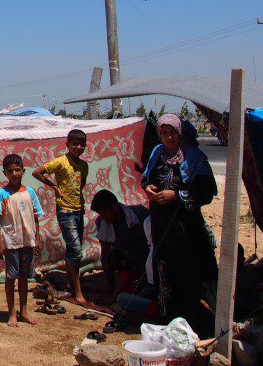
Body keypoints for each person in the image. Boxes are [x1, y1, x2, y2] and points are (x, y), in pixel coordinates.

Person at [142, 112, 217, 335]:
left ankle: (196, 323)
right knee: (164, 268)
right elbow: (146, 178)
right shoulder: (157, 153)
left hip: (185, 228)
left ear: (180, 132)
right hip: (162, 225)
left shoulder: (194, 157)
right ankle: (169, 320)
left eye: (172, 132)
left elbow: (206, 192)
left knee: (189, 270)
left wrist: (176, 196)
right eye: (164, 133)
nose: (168, 137)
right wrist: (148, 188)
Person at [34, 129, 91, 306]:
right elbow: (37, 172)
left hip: (78, 210)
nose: (79, 147)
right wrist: (54, 187)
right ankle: (77, 290)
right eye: (75, 144)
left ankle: (68, 285)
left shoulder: (83, 165)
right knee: (75, 250)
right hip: (65, 210)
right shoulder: (60, 162)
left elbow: (80, 185)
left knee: (73, 249)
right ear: (67, 145)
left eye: (82, 144)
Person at [0, 154, 44, 327]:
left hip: (27, 240)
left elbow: (36, 216)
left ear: (23, 171)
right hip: (11, 241)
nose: (14, 173)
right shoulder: (1, 194)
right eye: (10, 171)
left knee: (24, 276)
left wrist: (37, 238)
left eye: (17, 170)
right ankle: (12, 312)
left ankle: (24, 311)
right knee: (11, 276)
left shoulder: (30, 192)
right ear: (4, 173)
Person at [90, 189, 152, 300]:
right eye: (100, 214)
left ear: (114, 207)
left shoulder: (139, 214)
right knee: (114, 259)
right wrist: (110, 286)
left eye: (104, 213)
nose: (102, 217)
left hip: (147, 260)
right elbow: (105, 255)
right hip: (128, 262)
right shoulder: (102, 222)